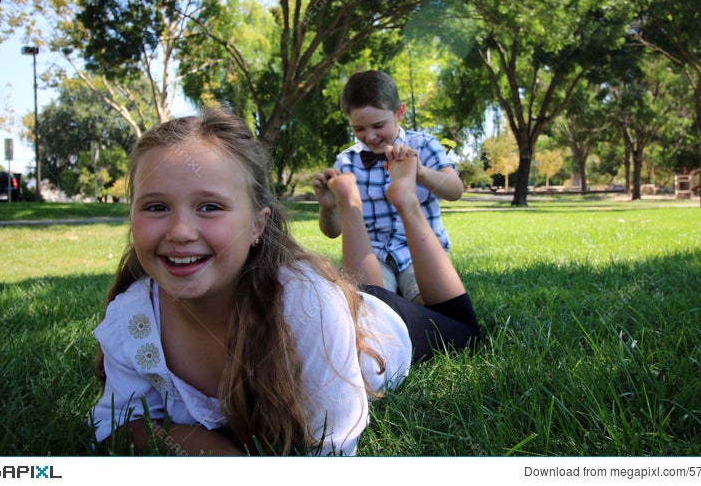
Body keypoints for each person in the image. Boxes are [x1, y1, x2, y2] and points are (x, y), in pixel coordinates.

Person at [89, 106, 478, 456]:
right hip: (348, 299)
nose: (180, 231)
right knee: (363, 285)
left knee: (464, 328)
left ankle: (403, 202)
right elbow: (120, 424)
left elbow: (331, 452)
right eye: (156, 207)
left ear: (259, 224)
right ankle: (350, 202)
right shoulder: (134, 315)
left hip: (378, 324)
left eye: (209, 206)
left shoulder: (307, 305)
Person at [313, 69, 464, 304]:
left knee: (429, 305)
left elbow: (455, 190)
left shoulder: (424, 144)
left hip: (418, 253)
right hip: (372, 254)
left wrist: (420, 172)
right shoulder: (346, 161)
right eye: (359, 129)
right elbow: (332, 232)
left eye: (378, 125)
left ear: (400, 112)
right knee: (370, 306)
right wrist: (328, 207)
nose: (370, 136)